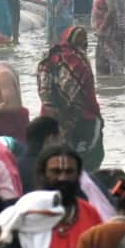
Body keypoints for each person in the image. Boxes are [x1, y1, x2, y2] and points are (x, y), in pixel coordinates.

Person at [36, 27, 104, 171]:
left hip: (50, 121)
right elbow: (86, 97)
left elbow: (44, 91)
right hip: (83, 120)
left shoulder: (48, 57)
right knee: (85, 166)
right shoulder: (80, 62)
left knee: (54, 166)